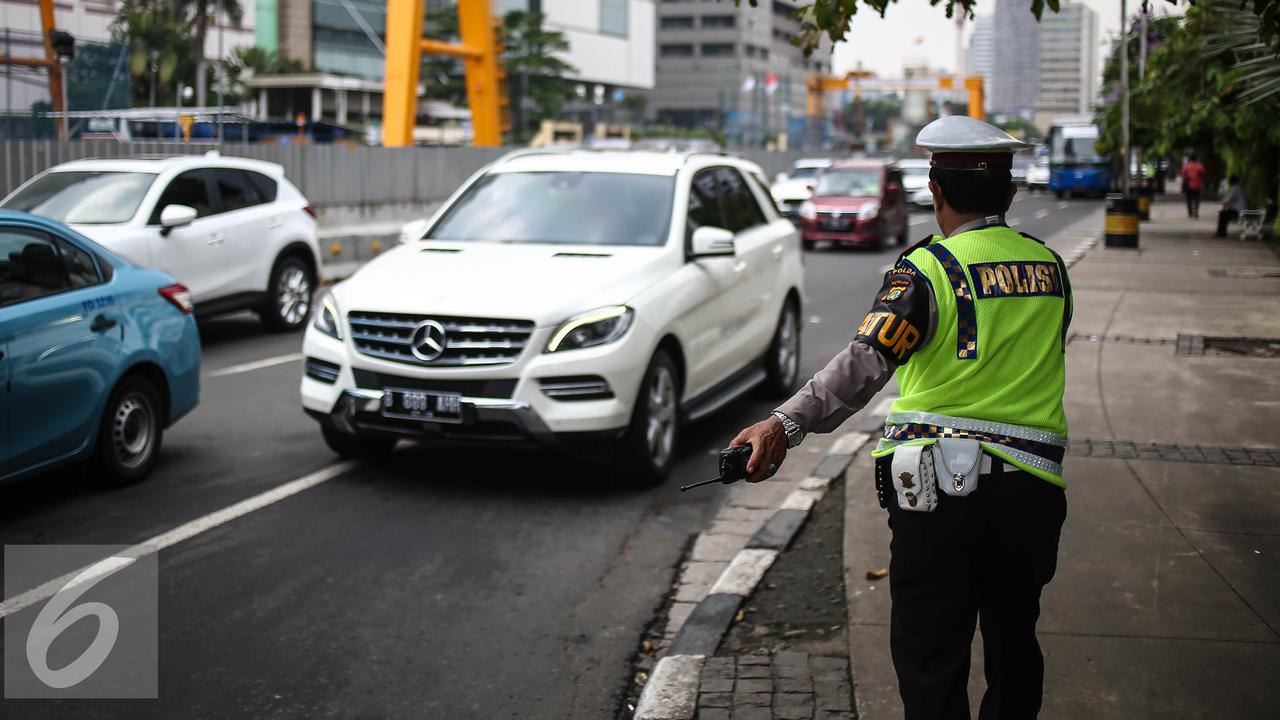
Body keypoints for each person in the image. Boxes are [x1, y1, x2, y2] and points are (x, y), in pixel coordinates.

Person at [731, 115, 1072, 720]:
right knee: (1015, 641)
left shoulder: (928, 270)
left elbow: (866, 362)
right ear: (1011, 193)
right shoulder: (1051, 268)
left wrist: (782, 424)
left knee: (930, 651)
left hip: (940, 495)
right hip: (1032, 493)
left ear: (935, 192)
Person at [1180, 154, 1206, 218]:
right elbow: (1203, 174)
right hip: (1197, 185)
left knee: (1189, 199)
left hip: (1188, 185)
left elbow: (1183, 175)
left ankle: (1190, 212)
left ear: (1190, 159)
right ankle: (1196, 211)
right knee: (1197, 199)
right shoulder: (1199, 166)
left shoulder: (1186, 166)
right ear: (1196, 159)